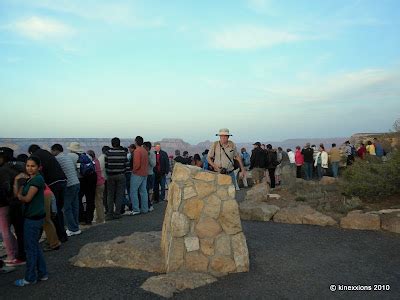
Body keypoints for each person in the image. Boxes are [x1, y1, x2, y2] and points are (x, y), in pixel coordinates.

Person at [13, 156, 48, 286]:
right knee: (35, 247)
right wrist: (17, 181)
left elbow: (26, 198)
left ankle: (30, 277)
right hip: (33, 217)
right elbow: (18, 194)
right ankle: (42, 273)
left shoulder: (37, 180)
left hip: (33, 219)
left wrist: (20, 195)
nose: (29, 168)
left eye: (33, 166)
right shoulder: (31, 179)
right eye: (28, 166)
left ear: (39, 167)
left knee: (30, 249)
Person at [28, 144, 68, 243]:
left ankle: (58, 237)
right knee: (58, 210)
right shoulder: (47, 153)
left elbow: (38, 173)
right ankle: (62, 234)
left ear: (31, 152)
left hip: (53, 184)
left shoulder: (36, 157)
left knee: (52, 212)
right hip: (63, 181)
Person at [0, 147, 25, 267]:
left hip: (9, 203)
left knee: (5, 230)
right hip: (20, 202)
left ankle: (13, 256)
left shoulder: (4, 170)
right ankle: (20, 253)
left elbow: (6, 188)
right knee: (19, 230)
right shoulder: (17, 166)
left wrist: (7, 198)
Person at [50, 144, 81, 236]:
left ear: (55, 150)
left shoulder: (57, 159)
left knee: (66, 208)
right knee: (75, 207)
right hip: (76, 183)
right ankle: (76, 227)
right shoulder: (66, 157)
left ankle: (73, 229)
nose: (51, 153)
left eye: (52, 151)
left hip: (69, 185)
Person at [67, 142, 97, 225]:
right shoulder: (88, 156)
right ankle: (89, 219)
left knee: (78, 199)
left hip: (79, 180)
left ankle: (81, 218)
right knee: (90, 199)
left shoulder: (70, 157)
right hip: (91, 179)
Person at [104, 138, 129, 220]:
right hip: (121, 175)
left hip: (110, 176)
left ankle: (109, 213)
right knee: (119, 195)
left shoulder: (108, 153)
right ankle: (117, 213)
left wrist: (109, 173)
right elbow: (126, 165)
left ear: (112, 144)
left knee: (110, 195)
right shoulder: (123, 153)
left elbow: (106, 165)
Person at [129, 136, 149, 215]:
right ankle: (145, 208)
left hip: (137, 174)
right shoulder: (144, 150)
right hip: (145, 173)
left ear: (136, 142)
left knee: (133, 191)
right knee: (143, 191)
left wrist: (133, 171)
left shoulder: (137, 151)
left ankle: (136, 209)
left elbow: (137, 164)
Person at [87, 150, 105, 223]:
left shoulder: (92, 163)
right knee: (99, 201)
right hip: (101, 183)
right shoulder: (97, 161)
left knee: (98, 203)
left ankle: (100, 219)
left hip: (97, 184)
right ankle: (100, 217)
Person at [143, 142, 156, 212]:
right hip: (143, 175)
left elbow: (153, 164)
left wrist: (148, 157)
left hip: (149, 174)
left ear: (147, 147)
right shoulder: (143, 153)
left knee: (148, 190)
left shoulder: (152, 154)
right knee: (144, 191)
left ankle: (150, 205)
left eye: (144, 147)